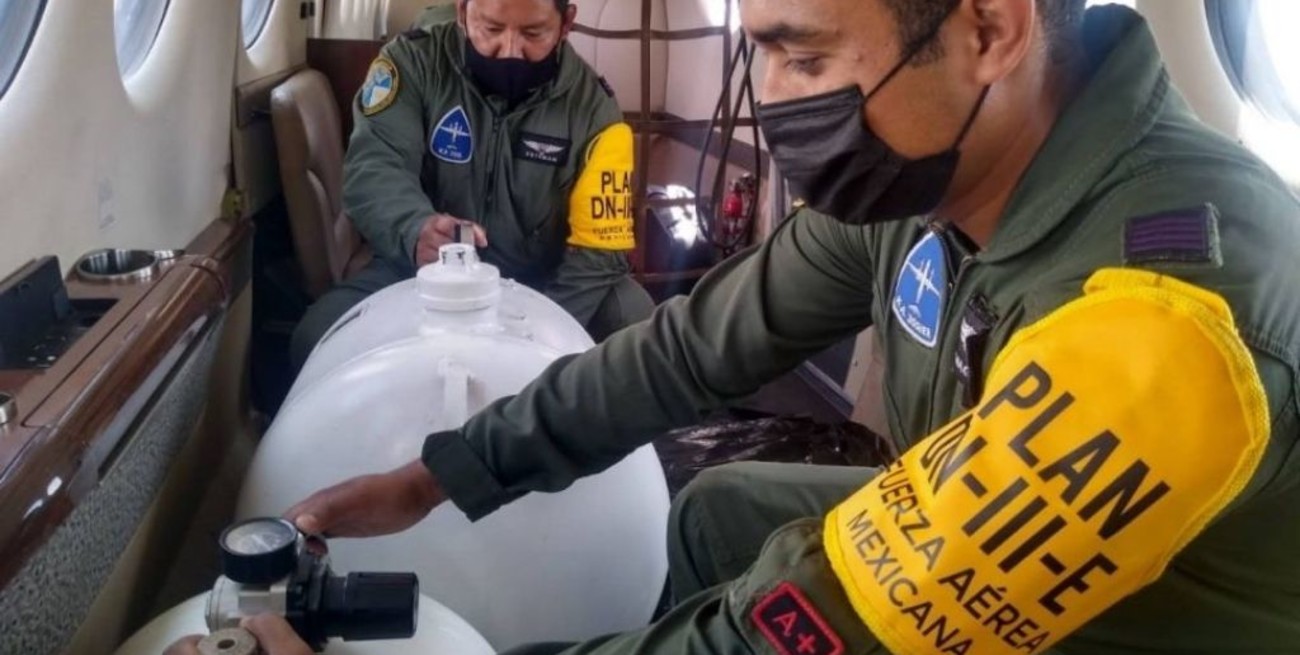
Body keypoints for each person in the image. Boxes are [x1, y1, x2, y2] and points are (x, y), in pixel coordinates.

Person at [175, 0, 1300, 652]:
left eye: (806, 56)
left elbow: (803, 630)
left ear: (989, 30)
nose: (775, 96)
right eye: (758, 46)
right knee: (722, 509)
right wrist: (440, 473)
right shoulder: (925, 185)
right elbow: (689, 349)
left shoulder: (1162, 326)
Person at [289, 0, 654, 370]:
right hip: (418, 272)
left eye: (533, 33)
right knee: (316, 337)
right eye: (491, 29)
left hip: (541, 281)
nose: (510, 51)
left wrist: (538, 334)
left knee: (636, 322)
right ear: (463, 11)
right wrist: (415, 229)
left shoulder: (595, 110)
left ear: (566, 24)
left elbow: (600, 249)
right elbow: (374, 168)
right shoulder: (412, 64)